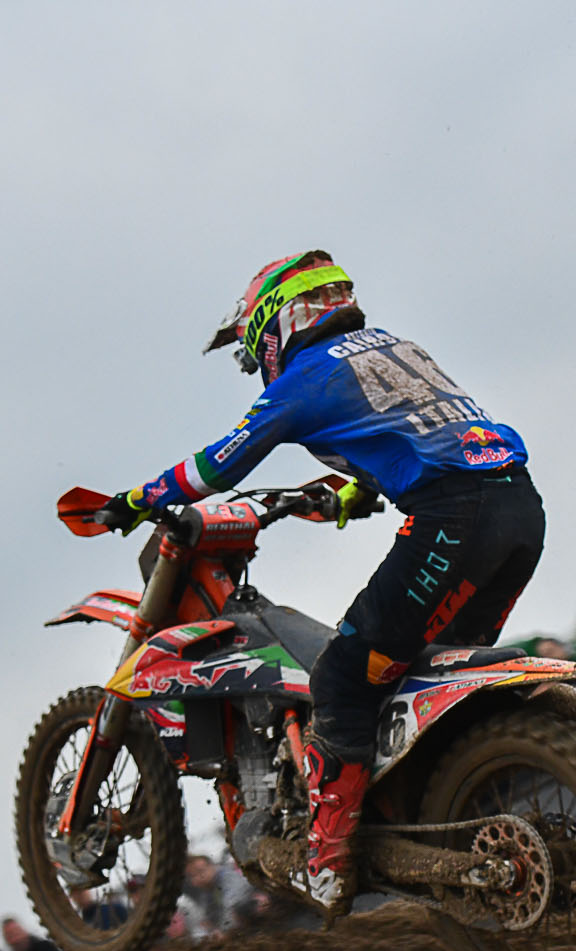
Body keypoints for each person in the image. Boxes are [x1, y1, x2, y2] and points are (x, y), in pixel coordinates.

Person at [90, 252, 544, 899]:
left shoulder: (303, 380)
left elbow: (216, 467)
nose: (258, 361)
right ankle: (437, 814)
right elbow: (416, 433)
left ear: (277, 325)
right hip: (520, 513)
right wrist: (352, 495)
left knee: (342, 676)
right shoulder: (396, 348)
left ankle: (327, 863)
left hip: (455, 522)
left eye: (255, 347)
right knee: (423, 673)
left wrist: (136, 500)